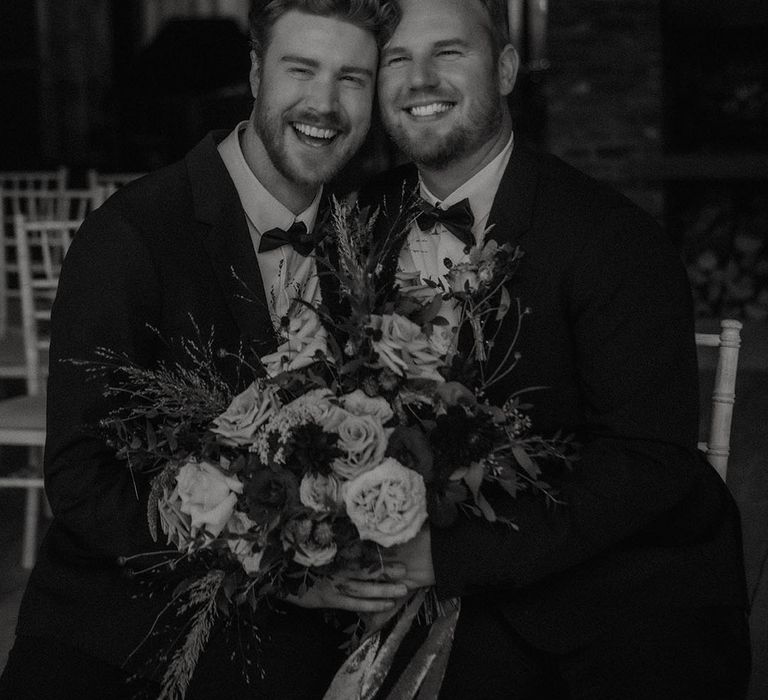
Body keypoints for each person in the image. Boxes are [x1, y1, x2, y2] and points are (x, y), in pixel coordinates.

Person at [0, 1, 405, 698]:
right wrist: (284, 574)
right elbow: (80, 479)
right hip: (120, 640)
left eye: (352, 78)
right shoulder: (131, 235)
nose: (324, 103)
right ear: (254, 72)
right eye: (300, 69)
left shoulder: (365, 244)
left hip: (289, 657)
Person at [360, 0, 753, 698]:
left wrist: (446, 557)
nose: (420, 78)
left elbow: (646, 461)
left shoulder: (612, 238)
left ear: (507, 68)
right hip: (386, 577)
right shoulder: (354, 226)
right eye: (396, 58)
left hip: (592, 590)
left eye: (448, 52)